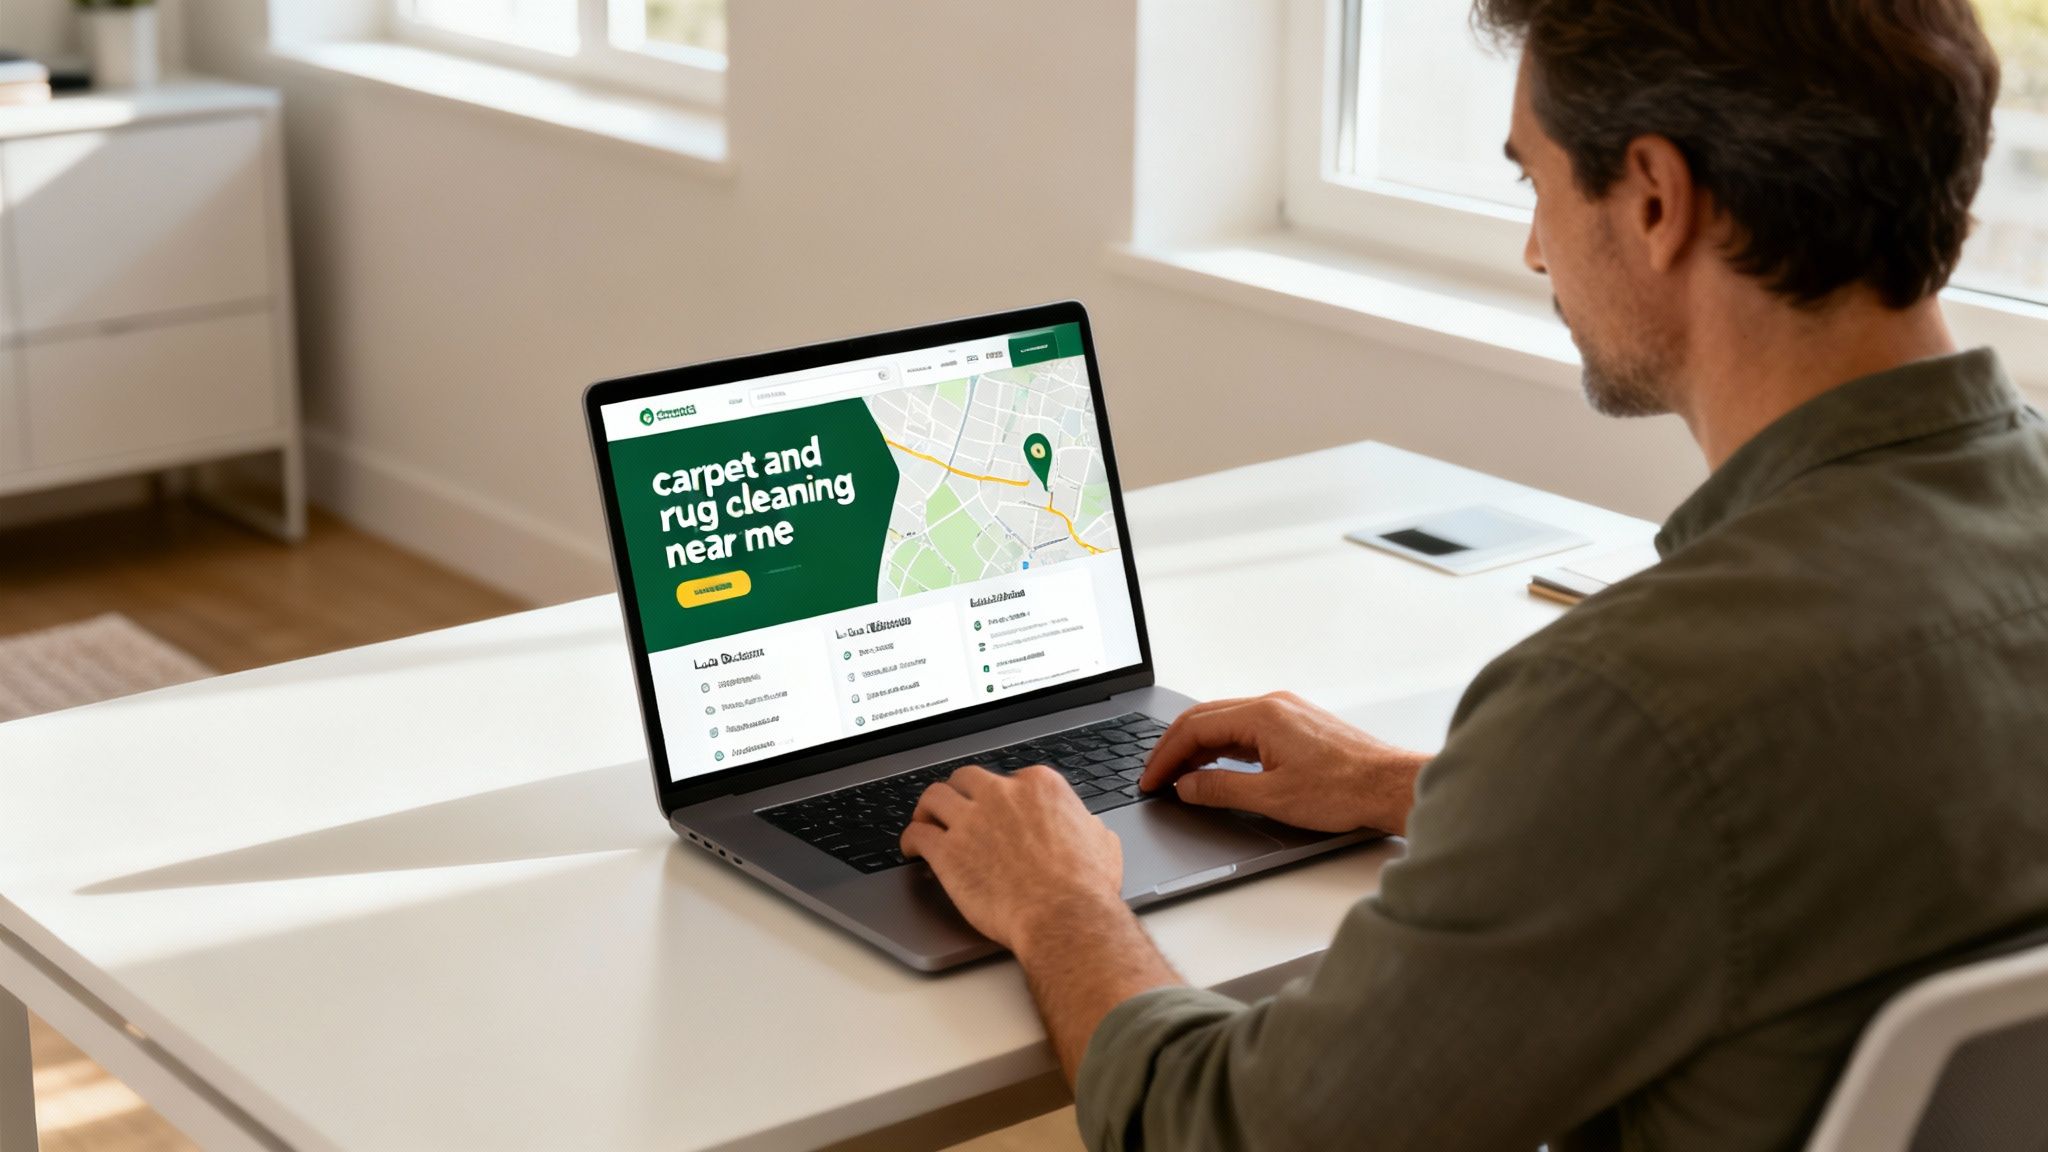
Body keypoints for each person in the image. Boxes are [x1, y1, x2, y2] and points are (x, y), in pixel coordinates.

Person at [903, 2, 2048, 1149]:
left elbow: (1220, 1131)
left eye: (1533, 183)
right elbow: (1821, 821)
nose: (1535, 248)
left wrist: (1058, 902)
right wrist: (1427, 784)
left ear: (1654, 198)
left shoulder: (1629, 708)